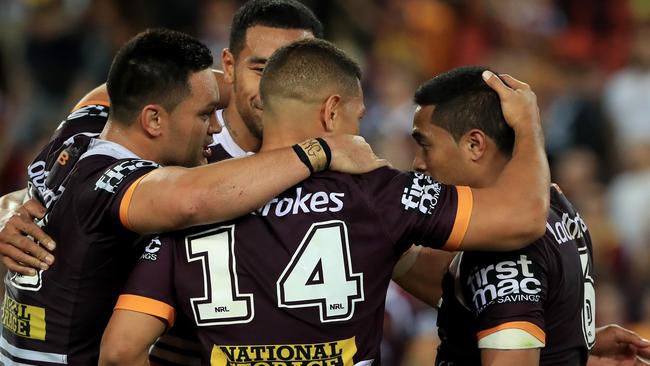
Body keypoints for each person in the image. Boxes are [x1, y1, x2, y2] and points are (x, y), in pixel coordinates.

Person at [98, 38, 550, 365]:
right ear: (331, 111)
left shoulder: (195, 201)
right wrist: (527, 124)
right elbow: (525, 218)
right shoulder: (379, 194)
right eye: (356, 115)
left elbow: (120, 351)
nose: (359, 129)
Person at [0, 29, 384, 365]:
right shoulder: (114, 182)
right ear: (153, 120)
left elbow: (120, 83)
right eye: (205, 114)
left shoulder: (81, 130)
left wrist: (6, 206)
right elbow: (190, 200)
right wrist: (318, 151)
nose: (216, 126)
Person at [406, 66, 590, 365]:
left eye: (425, 145)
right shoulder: (558, 204)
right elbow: (463, 293)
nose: (418, 163)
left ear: (474, 144)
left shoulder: (504, 251)